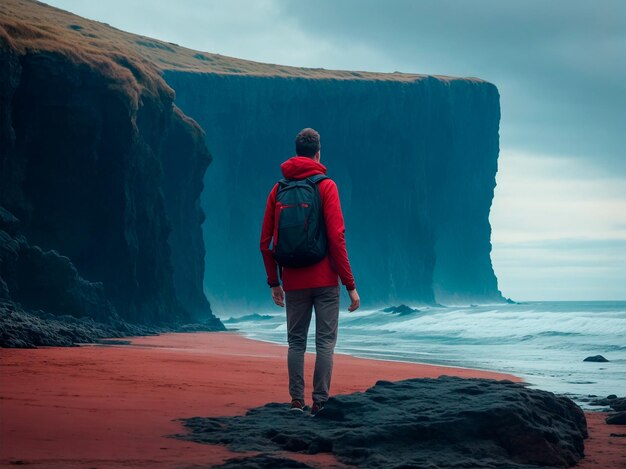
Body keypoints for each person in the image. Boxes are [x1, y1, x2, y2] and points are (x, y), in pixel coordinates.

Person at [260, 128, 360, 415]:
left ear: (297, 152)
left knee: (296, 342)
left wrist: (273, 282)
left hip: (293, 280)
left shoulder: (278, 189)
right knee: (325, 343)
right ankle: (319, 402)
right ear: (318, 153)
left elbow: (265, 242)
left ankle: (295, 401)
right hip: (326, 281)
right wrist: (349, 284)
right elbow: (336, 237)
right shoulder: (326, 186)